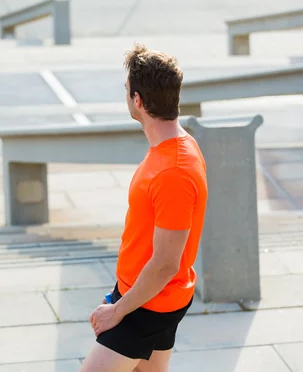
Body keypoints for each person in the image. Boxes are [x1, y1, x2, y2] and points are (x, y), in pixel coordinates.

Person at [80, 43, 209, 372]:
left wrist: (119, 310)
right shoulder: (178, 146)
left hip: (147, 306)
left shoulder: (173, 171)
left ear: (137, 100)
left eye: (127, 90)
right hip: (146, 296)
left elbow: (166, 264)